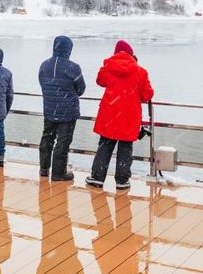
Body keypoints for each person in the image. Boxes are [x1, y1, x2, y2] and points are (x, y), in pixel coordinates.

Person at [86, 40, 154, 190]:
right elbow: (147, 95)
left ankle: (97, 177)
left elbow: (100, 81)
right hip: (129, 116)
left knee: (105, 146)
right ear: (132, 54)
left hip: (110, 114)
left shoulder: (109, 67)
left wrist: (107, 64)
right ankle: (122, 180)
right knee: (125, 148)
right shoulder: (140, 72)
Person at [38, 36, 86, 181]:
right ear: (69, 49)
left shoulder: (44, 65)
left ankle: (44, 169)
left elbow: (42, 83)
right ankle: (58, 173)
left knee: (47, 137)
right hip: (68, 110)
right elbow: (81, 88)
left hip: (49, 108)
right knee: (63, 142)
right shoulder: (73, 67)